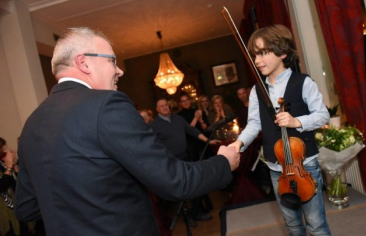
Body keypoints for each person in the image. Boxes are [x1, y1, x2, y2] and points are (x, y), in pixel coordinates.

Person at [15, 27, 240, 236]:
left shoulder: (31, 125)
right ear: (84, 63)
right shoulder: (106, 105)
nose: (119, 70)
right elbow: (175, 181)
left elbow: (26, 209)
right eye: (113, 60)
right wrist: (223, 163)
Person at [229, 24, 331, 236]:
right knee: (292, 225)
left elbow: (322, 115)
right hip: (277, 169)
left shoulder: (303, 82)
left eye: (263, 53)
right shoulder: (257, 90)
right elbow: (255, 123)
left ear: (283, 52)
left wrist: (297, 122)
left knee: (316, 225)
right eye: (255, 55)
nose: (257, 61)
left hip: (305, 165)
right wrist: (238, 143)